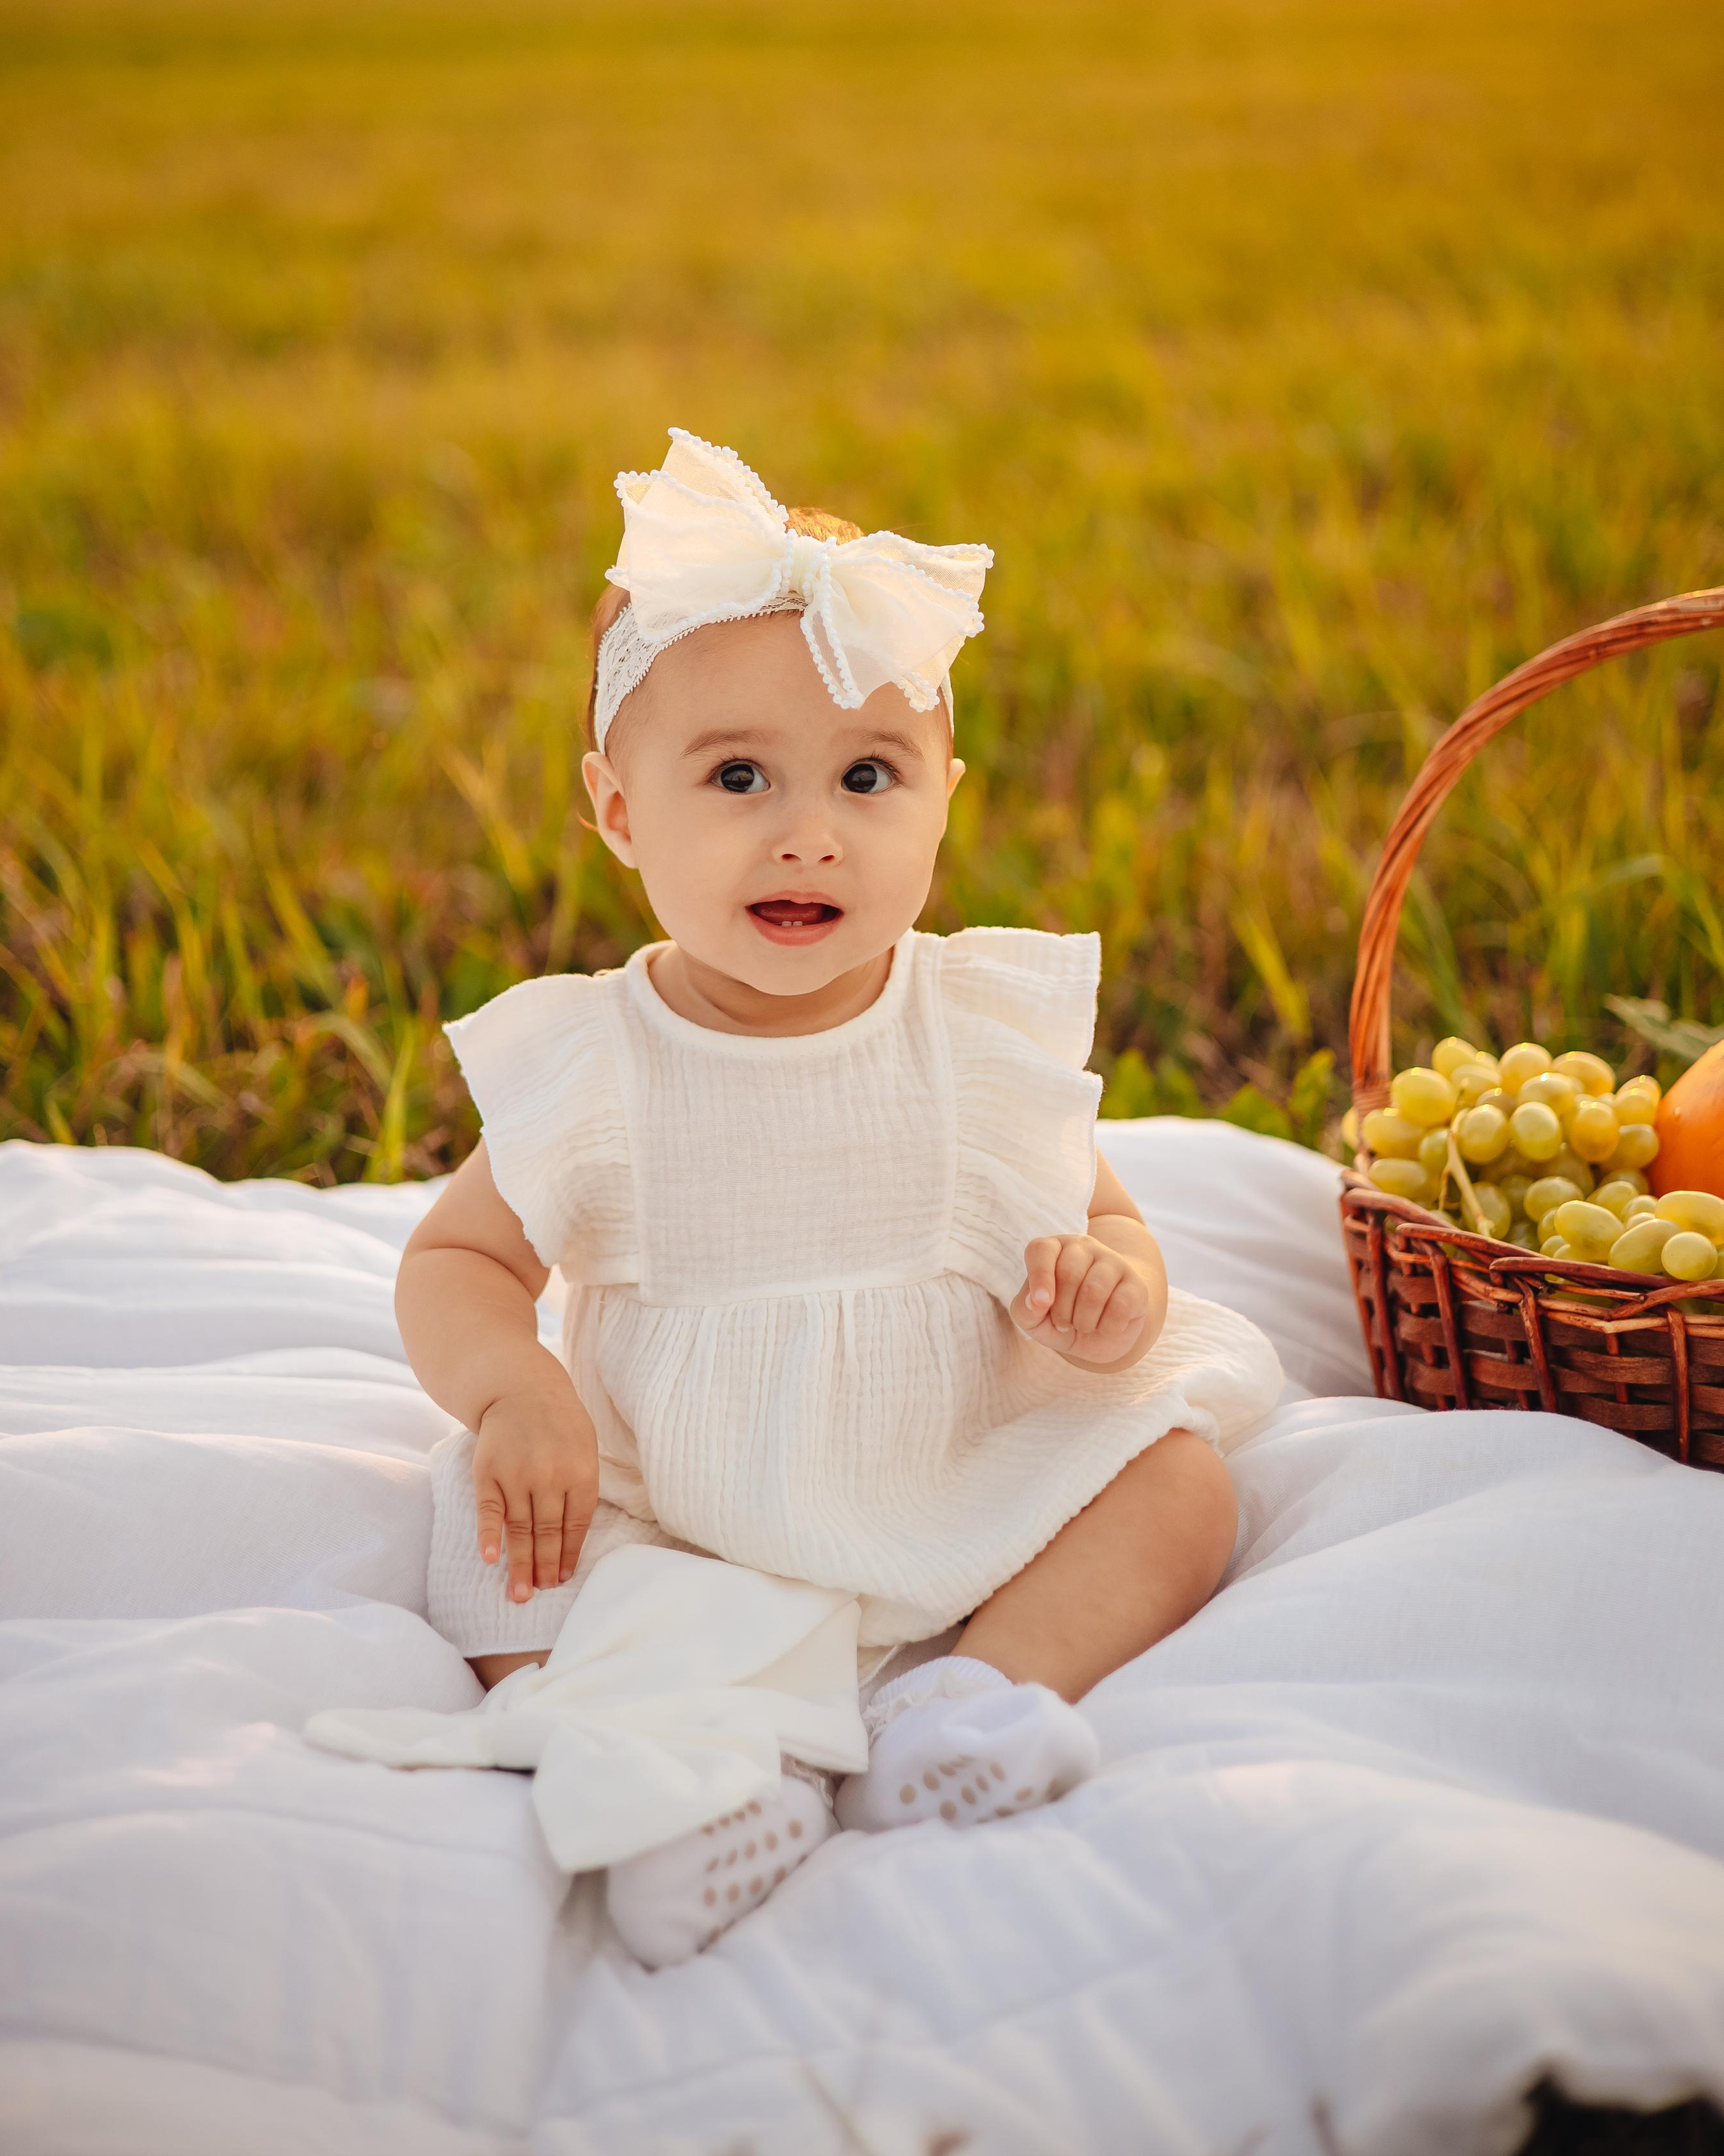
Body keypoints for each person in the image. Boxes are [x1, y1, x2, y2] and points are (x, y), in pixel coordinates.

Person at [396, 429, 1281, 1965]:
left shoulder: (971, 1031)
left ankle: (972, 1697)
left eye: (868, 776)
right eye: (736, 776)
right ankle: (714, 1780)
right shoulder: (600, 1061)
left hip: (950, 1461)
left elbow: (1113, 1224)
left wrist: (1105, 1295)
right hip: (687, 1506)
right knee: (506, 1552)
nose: (809, 829)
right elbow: (458, 1257)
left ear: (943, 798)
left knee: (1181, 1479)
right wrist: (511, 1388)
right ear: (616, 813)